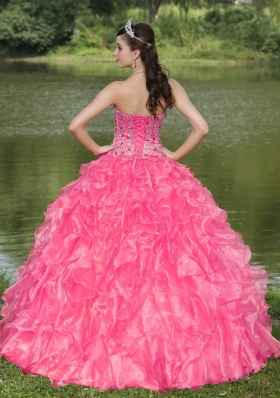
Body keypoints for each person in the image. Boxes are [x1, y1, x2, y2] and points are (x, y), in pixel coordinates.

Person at [0, 18, 279, 394]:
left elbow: (75, 125)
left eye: (118, 47)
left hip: (115, 171)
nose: (114, 53)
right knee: (170, 258)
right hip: (161, 172)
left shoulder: (117, 89)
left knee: (103, 257)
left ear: (136, 52)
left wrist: (100, 149)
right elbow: (202, 128)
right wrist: (174, 155)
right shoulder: (169, 86)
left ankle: (109, 338)